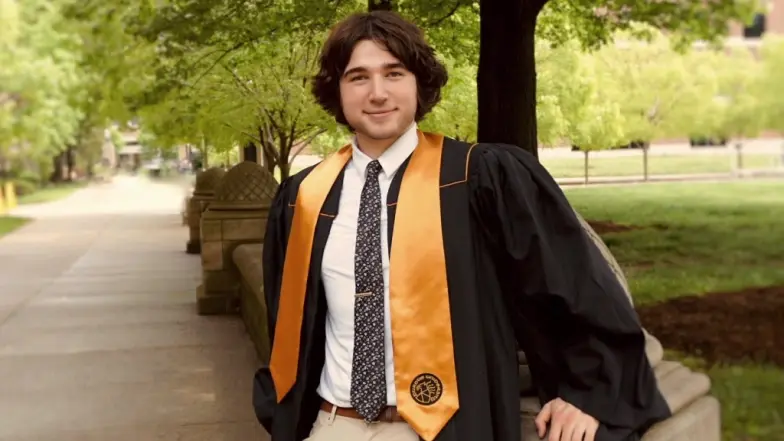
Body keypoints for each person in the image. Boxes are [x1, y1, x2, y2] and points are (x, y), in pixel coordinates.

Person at [253, 10, 671, 441]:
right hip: (333, 423)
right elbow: (292, 325)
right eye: (358, 77)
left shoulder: (479, 178)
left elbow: (571, 286)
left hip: (442, 427)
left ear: (419, 83)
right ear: (337, 91)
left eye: (394, 73)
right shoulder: (304, 197)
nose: (377, 93)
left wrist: (587, 393)